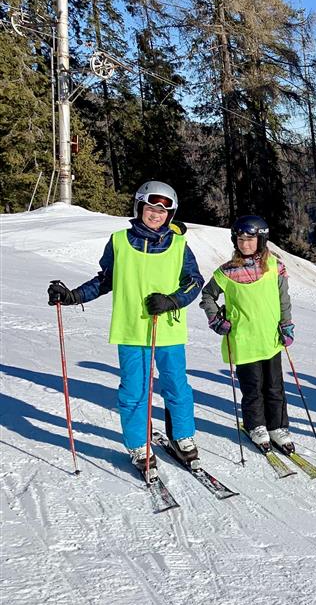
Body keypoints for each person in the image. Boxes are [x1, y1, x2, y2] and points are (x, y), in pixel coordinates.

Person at [46, 181, 204, 475]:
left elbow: (194, 282)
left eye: (162, 211)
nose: (155, 214)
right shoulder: (119, 241)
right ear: (139, 207)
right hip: (131, 329)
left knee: (176, 385)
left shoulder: (179, 244)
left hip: (168, 329)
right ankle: (138, 444)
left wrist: (172, 300)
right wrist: (73, 296)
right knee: (134, 390)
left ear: (170, 215)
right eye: (150, 208)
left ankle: (182, 435)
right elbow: (105, 280)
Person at [201, 215, 294, 453]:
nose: (245, 244)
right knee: (252, 388)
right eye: (240, 239)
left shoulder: (274, 266)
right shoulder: (227, 271)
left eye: (250, 239)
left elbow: (283, 299)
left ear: (261, 240)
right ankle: (256, 425)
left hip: (270, 338)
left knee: (274, 386)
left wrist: (286, 324)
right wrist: (216, 319)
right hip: (243, 340)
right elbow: (208, 295)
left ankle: (278, 426)